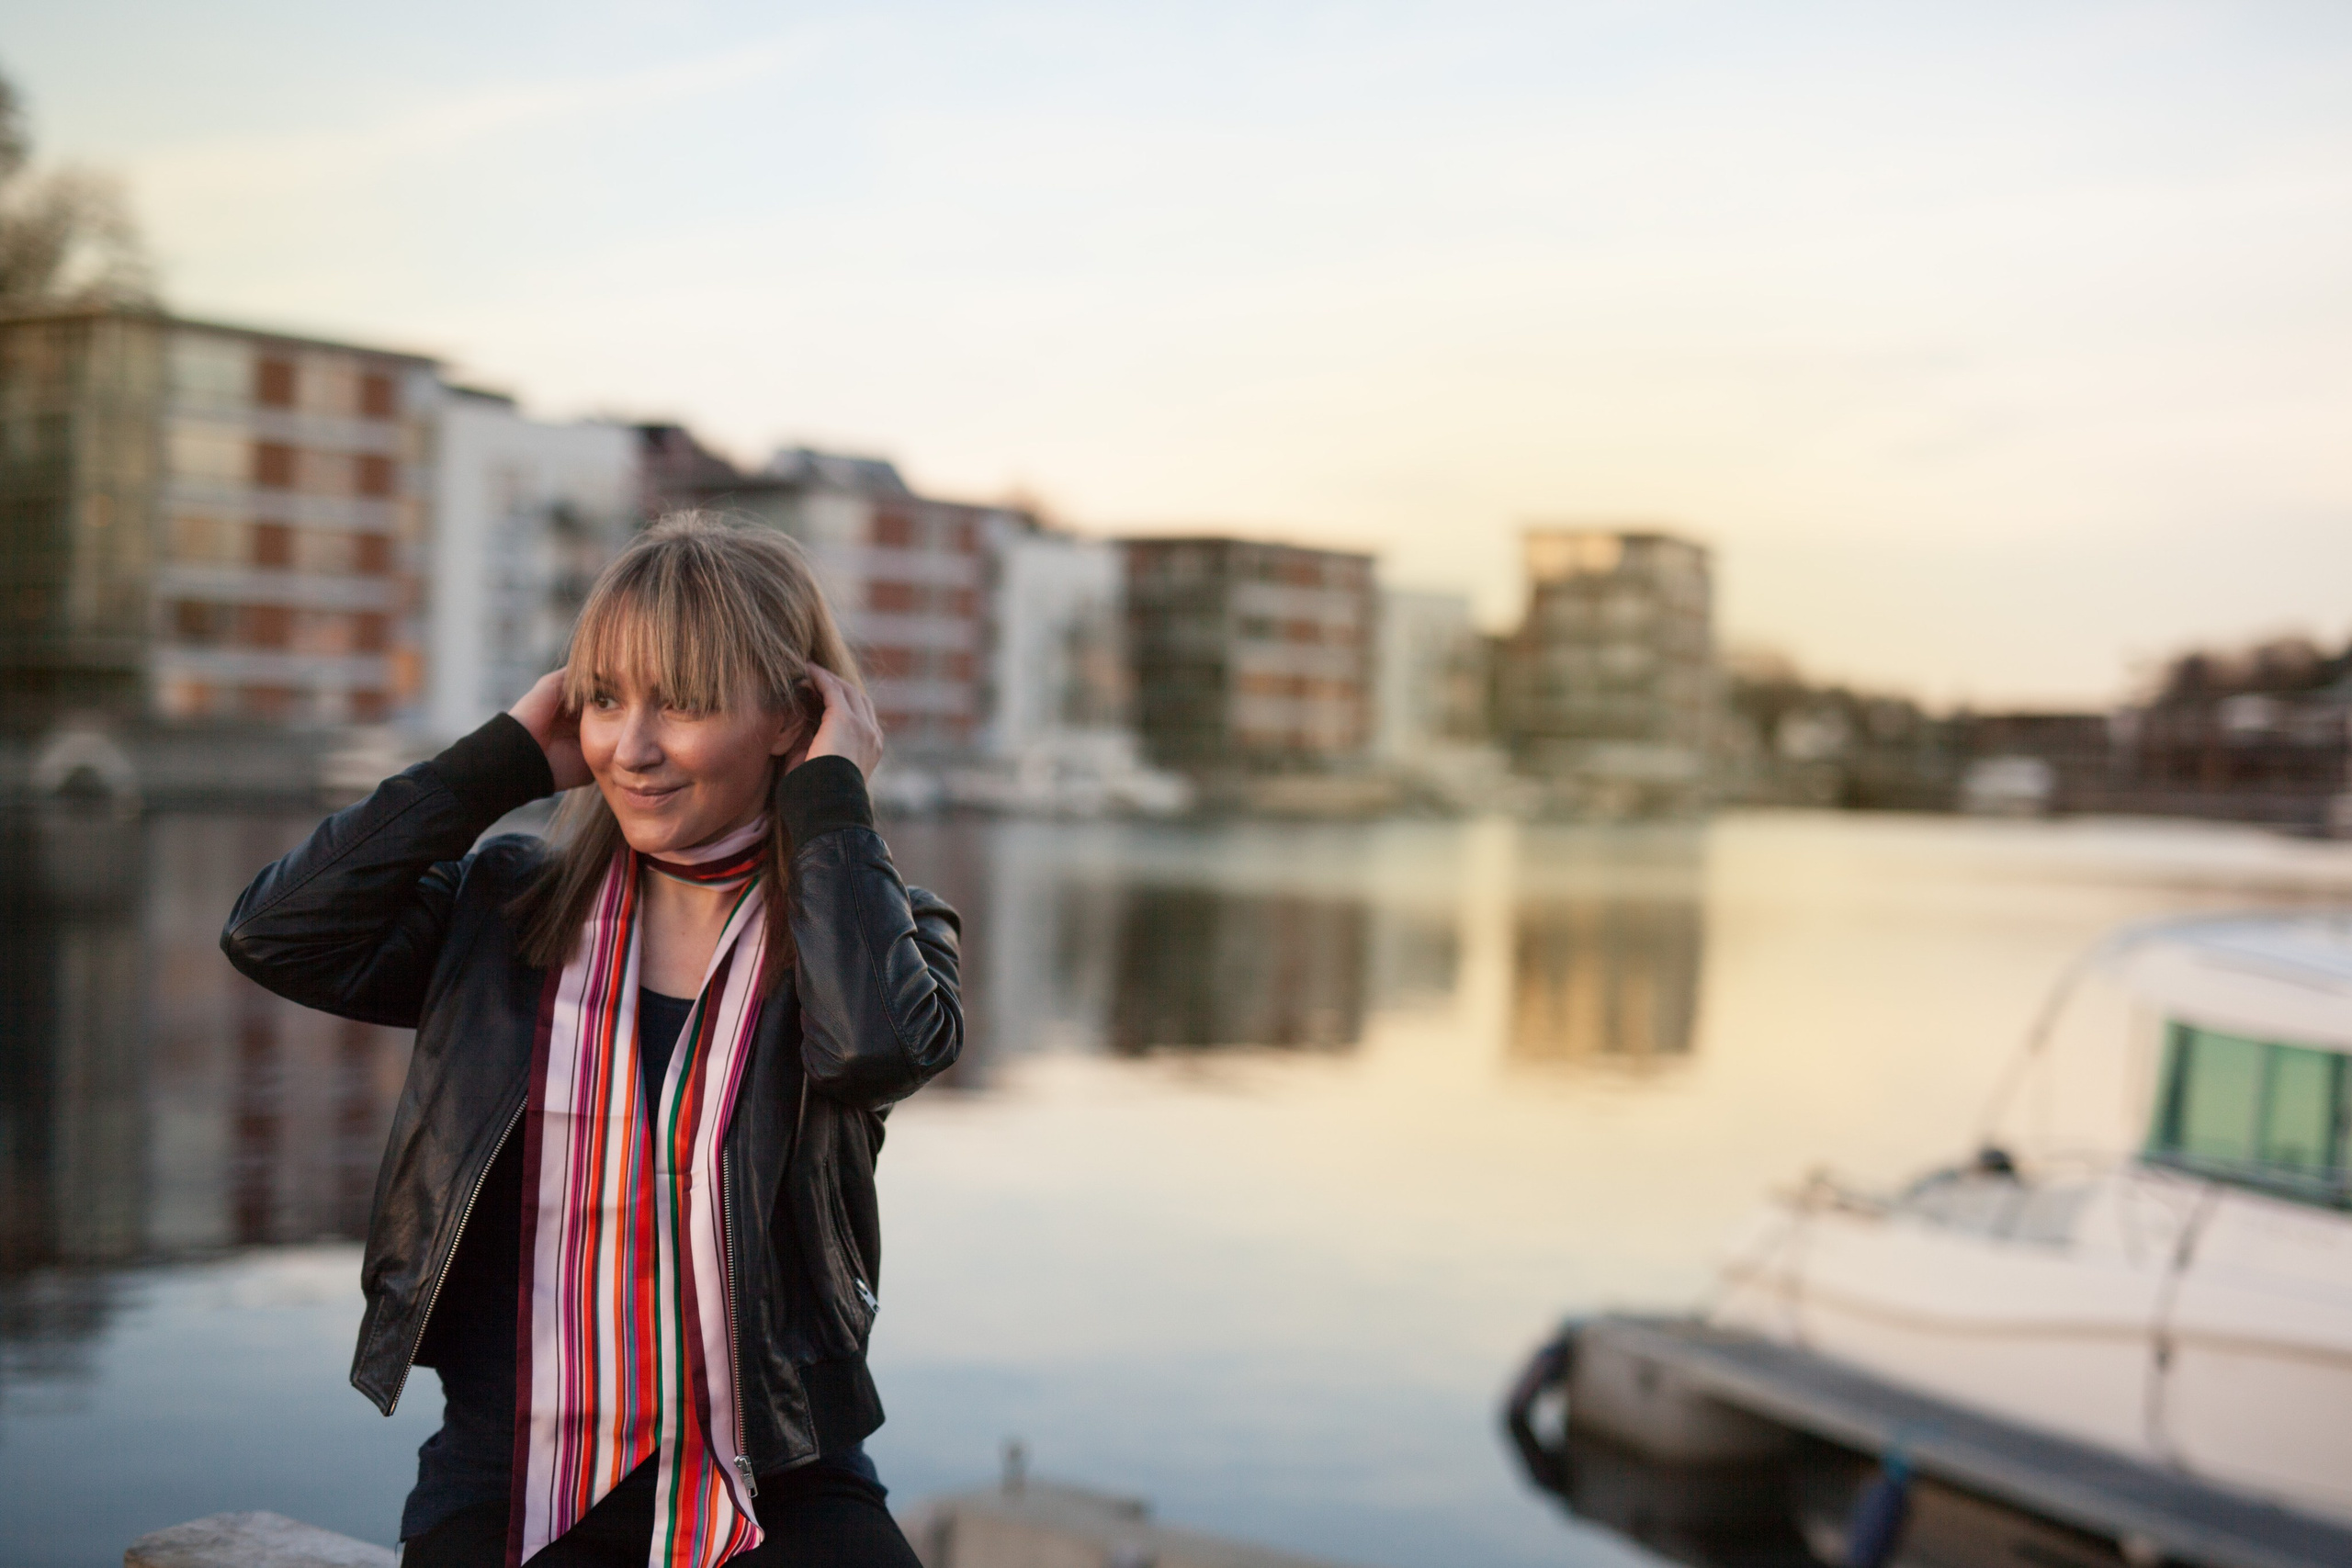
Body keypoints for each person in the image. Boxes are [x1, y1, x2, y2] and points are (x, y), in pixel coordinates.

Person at [221, 513, 961, 1568]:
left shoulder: (874, 934)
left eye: (687, 703)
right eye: (606, 699)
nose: (632, 747)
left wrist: (831, 802)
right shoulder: (504, 910)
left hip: (780, 1467)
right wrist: (499, 764)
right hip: (511, 1466)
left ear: (794, 717)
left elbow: (873, 1052)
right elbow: (274, 934)